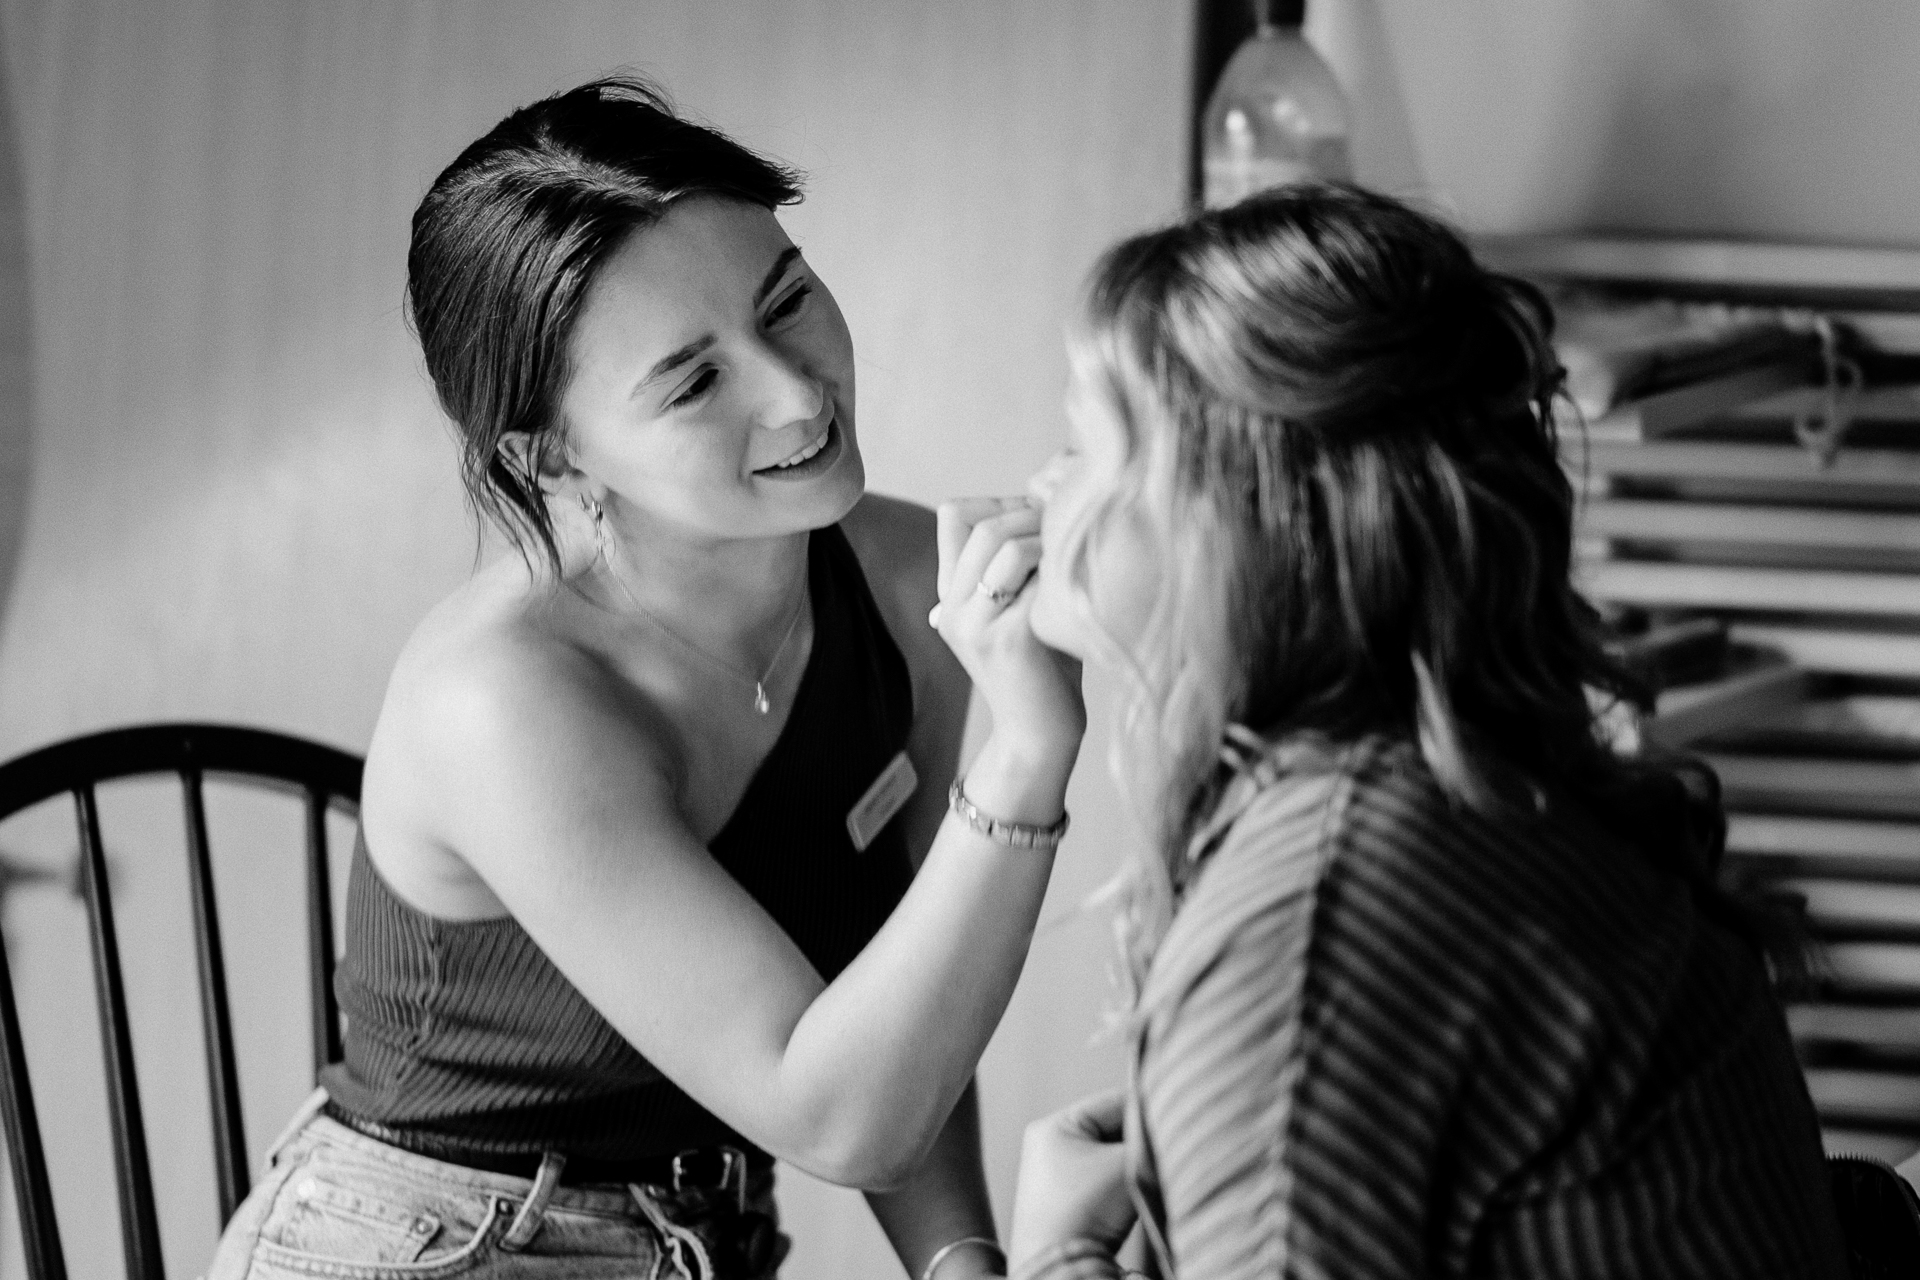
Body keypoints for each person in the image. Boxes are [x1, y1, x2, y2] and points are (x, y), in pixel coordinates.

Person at [207, 76, 1084, 1280]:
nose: (794, 391)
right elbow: (838, 1112)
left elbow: (904, 983)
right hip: (429, 1244)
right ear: (551, 456)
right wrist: (1026, 756)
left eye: (787, 303)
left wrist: (960, 1260)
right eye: (692, 381)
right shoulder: (504, 698)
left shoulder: (900, 581)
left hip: (701, 1242)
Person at [994, 185, 1849, 1279]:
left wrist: (1056, 1257)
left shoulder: (1318, 910)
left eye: (1082, 443)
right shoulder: (1469, 804)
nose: (1041, 486)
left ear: (1242, 520)